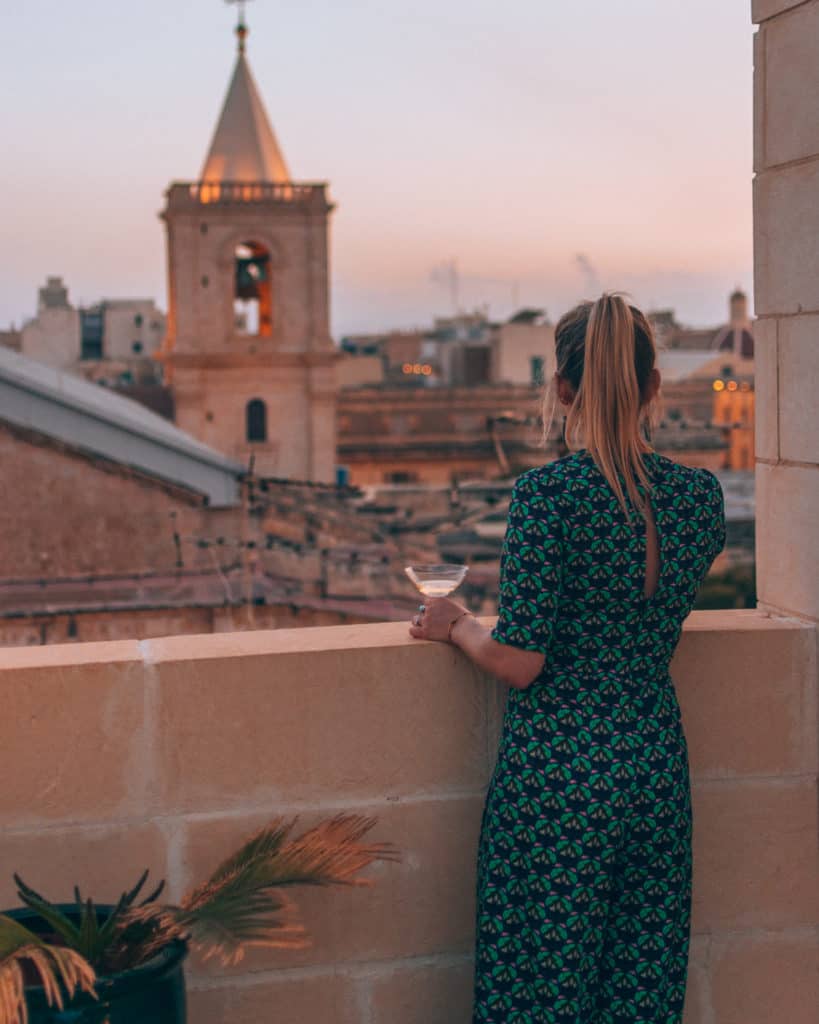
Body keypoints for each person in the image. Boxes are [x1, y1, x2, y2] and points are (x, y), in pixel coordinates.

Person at [409, 294, 726, 1023]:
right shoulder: (698, 498)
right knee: (639, 987)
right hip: (652, 762)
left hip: (561, 771)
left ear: (560, 390)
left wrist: (456, 626)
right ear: (652, 387)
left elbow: (521, 660)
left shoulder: (548, 498)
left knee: (540, 992)